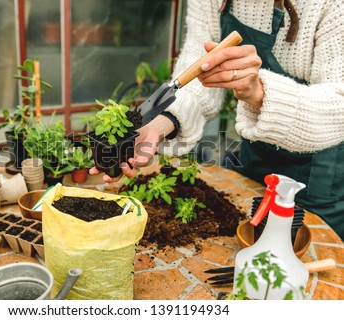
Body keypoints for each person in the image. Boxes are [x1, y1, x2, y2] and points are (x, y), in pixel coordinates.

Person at [90, 0, 344, 240]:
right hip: (257, 145)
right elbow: (198, 68)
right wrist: (162, 123)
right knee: (251, 236)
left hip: (320, 166)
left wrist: (260, 93)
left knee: (311, 253)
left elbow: (339, 104)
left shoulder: (329, 6)